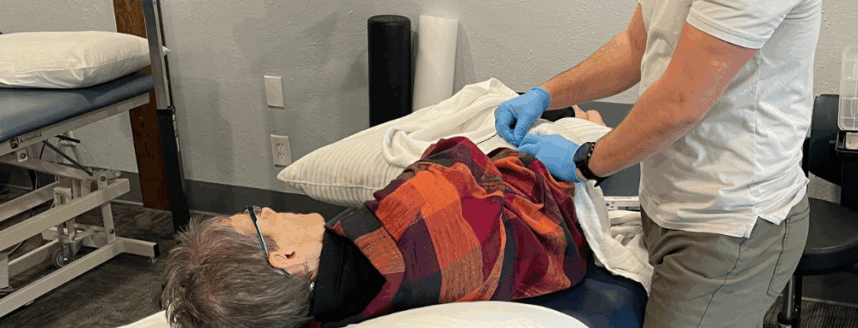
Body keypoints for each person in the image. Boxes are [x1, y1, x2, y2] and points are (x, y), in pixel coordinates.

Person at [495, 0, 824, 326]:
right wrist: (545, 94)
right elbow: (636, 46)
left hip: (728, 223)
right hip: (669, 201)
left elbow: (681, 101)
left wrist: (583, 162)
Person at [161, 135, 590, 328]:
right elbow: (467, 162)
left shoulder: (324, 311)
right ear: (285, 257)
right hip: (556, 209)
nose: (268, 208)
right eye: (257, 217)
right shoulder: (415, 213)